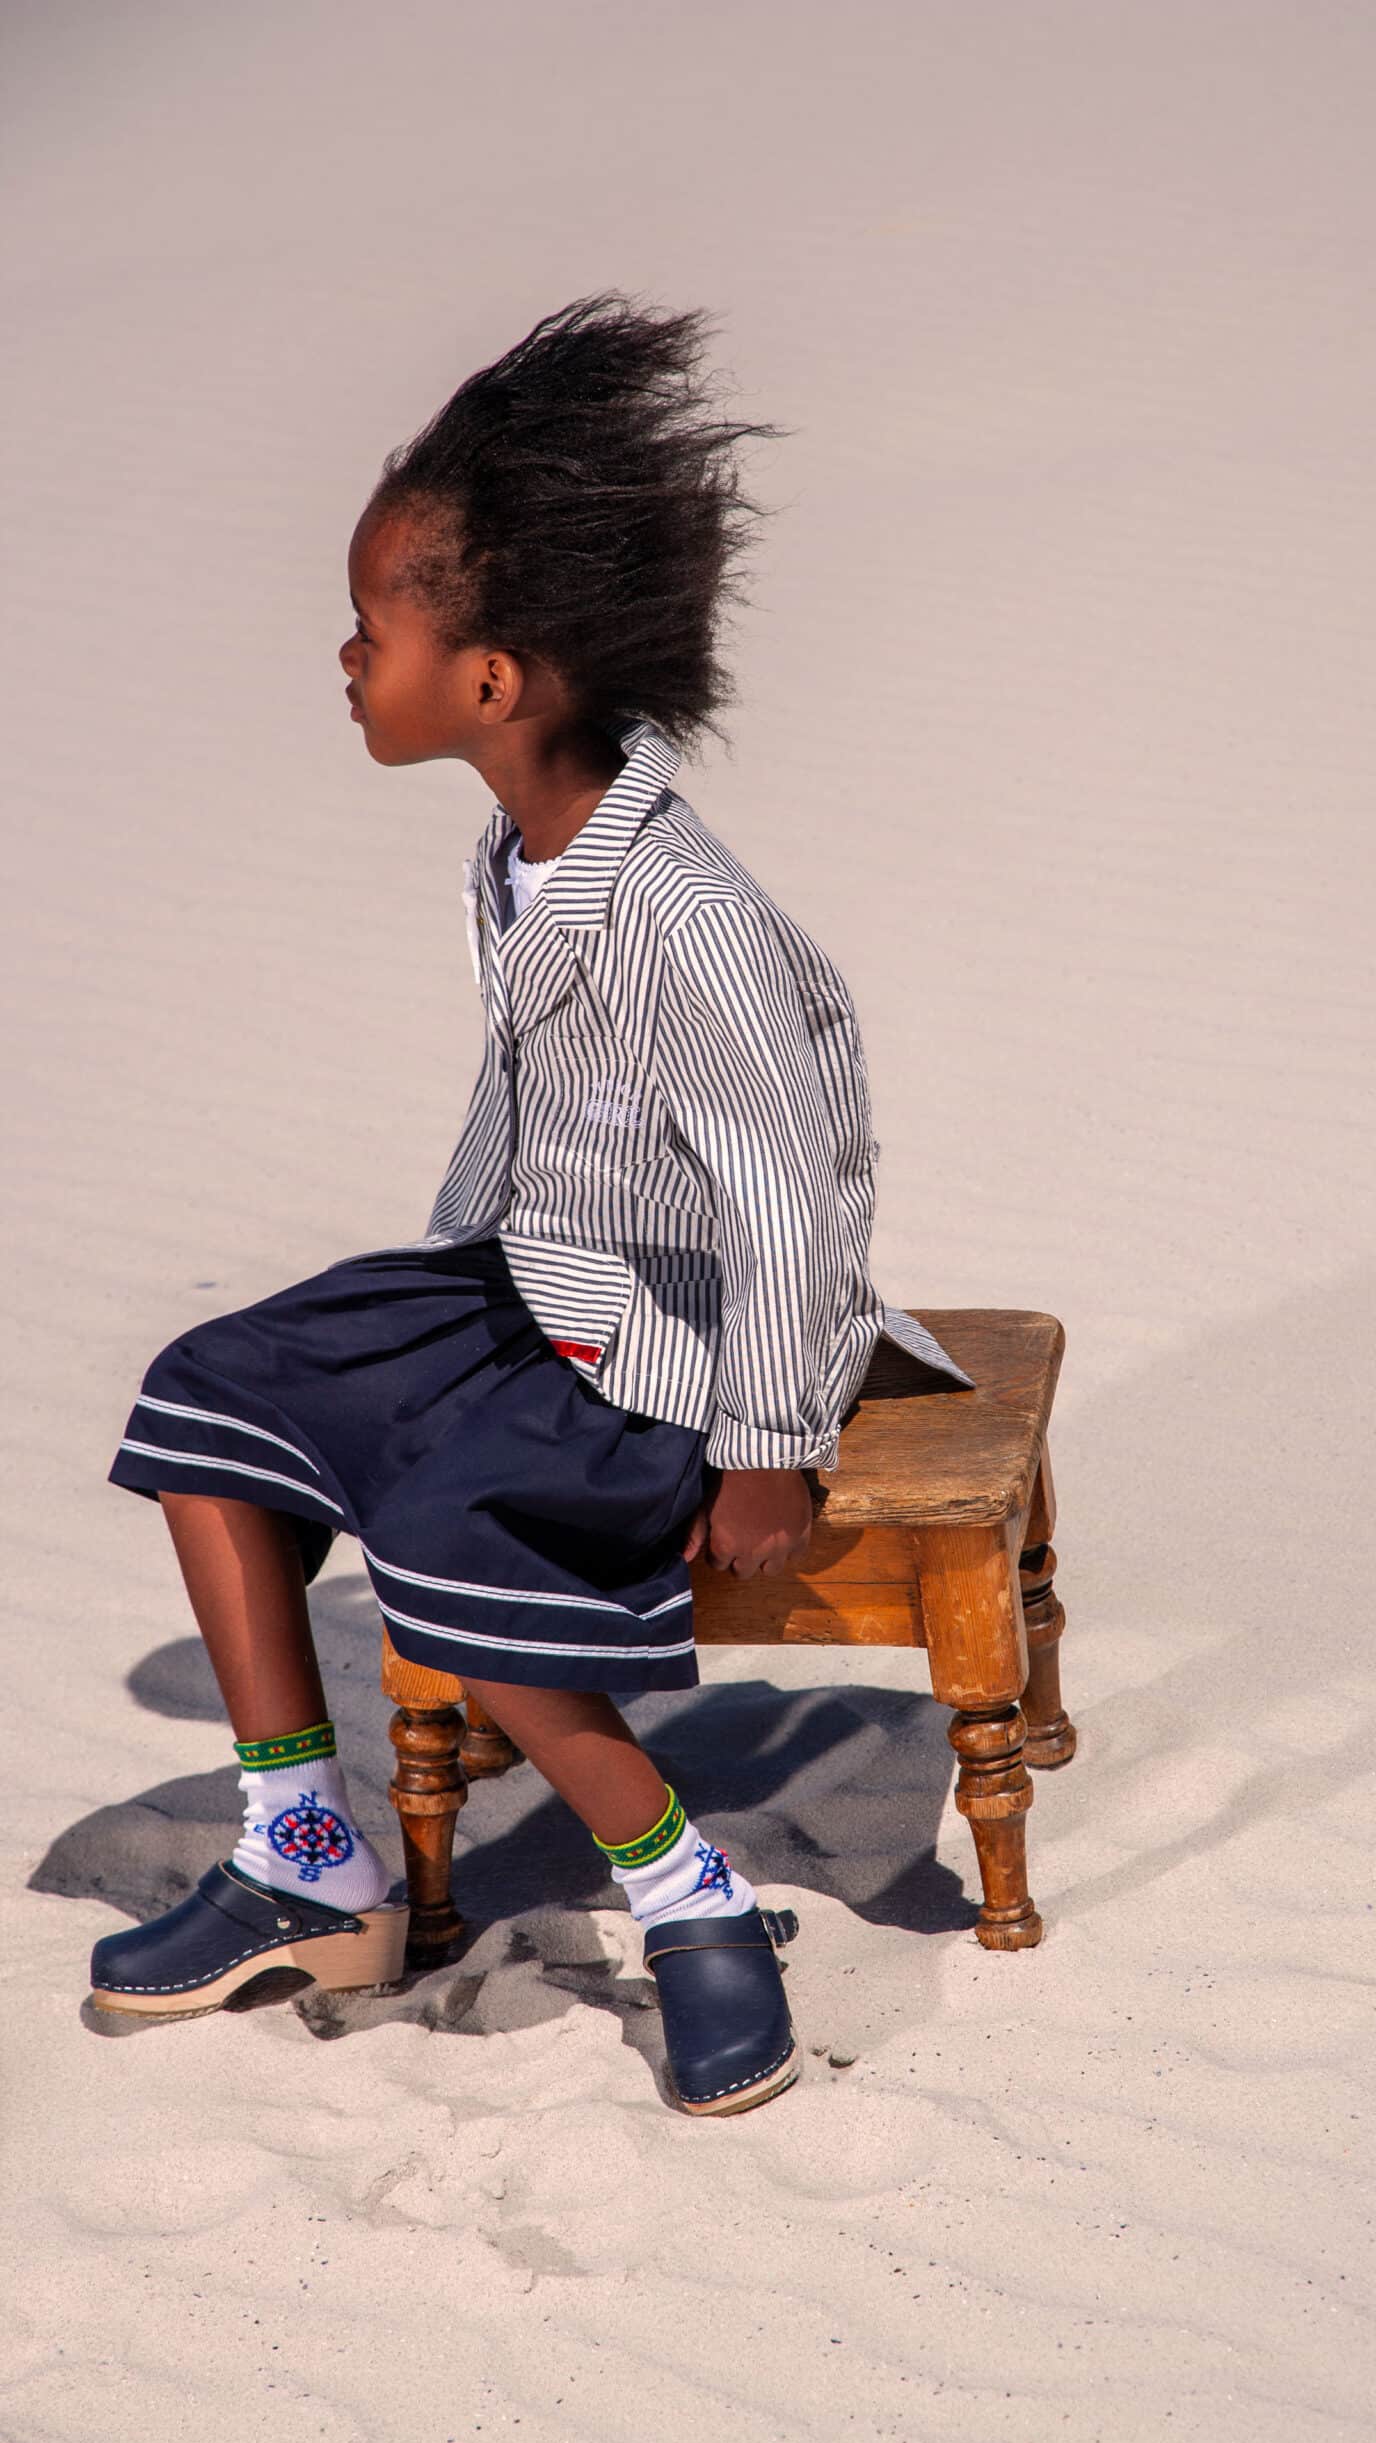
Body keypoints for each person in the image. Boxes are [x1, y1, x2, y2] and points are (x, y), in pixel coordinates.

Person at [90, 293, 969, 2115]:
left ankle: (698, 1907)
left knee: (458, 1528)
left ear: (489, 682)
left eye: (371, 630)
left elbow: (797, 1184)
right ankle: (300, 1853)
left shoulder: (684, 918)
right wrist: (427, 1304)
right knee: (208, 1392)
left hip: (676, 1343)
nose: (343, 658)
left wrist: (765, 1442)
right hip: (526, 1280)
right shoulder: (521, 846)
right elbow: (525, 1113)